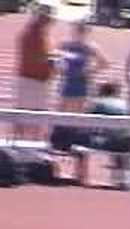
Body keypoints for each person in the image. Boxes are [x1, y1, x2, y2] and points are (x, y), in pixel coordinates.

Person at [16, 4, 55, 139]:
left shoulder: (34, 32)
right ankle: (28, 143)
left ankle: (20, 142)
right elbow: (39, 58)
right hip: (33, 80)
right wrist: (53, 61)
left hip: (31, 79)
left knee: (25, 114)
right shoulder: (35, 34)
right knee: (32, 115)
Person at [58, 21, 108, 113]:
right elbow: (54, 57)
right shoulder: (65, 44)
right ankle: (60, 126)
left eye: (81, 31)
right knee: (62, 108)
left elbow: (104, 63)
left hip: (81, 82)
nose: (76, 33)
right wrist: (60, 67)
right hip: (67, 81)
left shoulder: (89, 47)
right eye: (75, 30)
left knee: (78, 110)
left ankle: (75, 126)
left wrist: (89, 71)